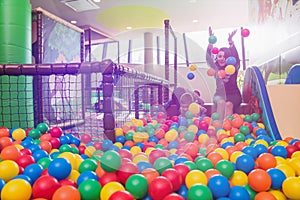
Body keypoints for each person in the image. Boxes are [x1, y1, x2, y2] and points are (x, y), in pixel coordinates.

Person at [206, 26, 242, 120]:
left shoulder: (233, 67)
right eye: (219, 56)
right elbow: (208, 58)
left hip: (234, 95)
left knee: (228, 104)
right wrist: (210, 43)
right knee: (221, 102)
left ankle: (227, 127)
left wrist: (230, 41)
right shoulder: (216, 68)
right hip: (219, 95)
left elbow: (236, 58)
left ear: (228, 57)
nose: (221, 58)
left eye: (223, 56)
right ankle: (218, 126)